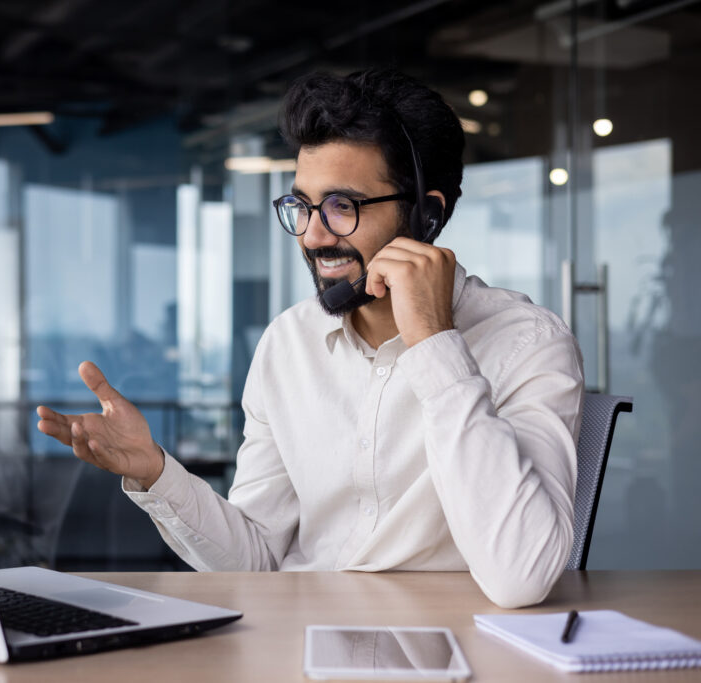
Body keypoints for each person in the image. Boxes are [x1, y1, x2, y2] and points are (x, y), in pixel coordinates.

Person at [36, 68, 584, 609]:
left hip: (450, 652)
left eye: (342, 207)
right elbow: (255, 559)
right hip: (299, 643)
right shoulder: (288, 342)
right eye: (302, 206)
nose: (314, 236)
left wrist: (434, 343)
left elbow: (522, 576)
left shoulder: (527, 344)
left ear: (427, 214)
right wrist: (155, 472)